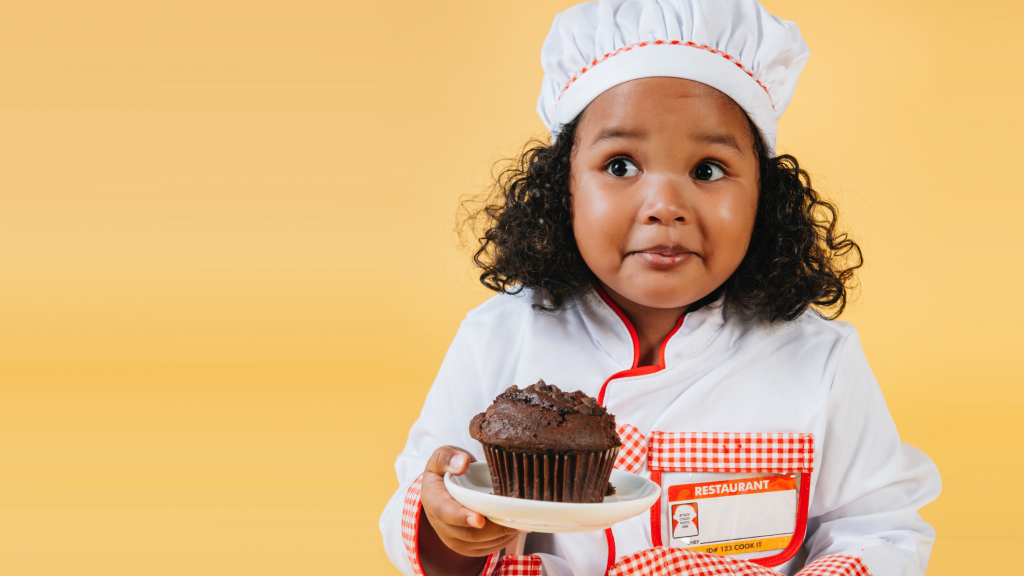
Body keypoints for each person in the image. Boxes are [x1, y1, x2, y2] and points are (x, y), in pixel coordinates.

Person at [379, 1, 940, 575]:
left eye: (708, 170)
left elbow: (880, 528)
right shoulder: (495, 338)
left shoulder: (819, 360)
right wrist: (447, 524)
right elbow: (431, 498)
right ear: (564, 188)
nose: (666, 207)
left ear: (764, 199)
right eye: (621, 166)